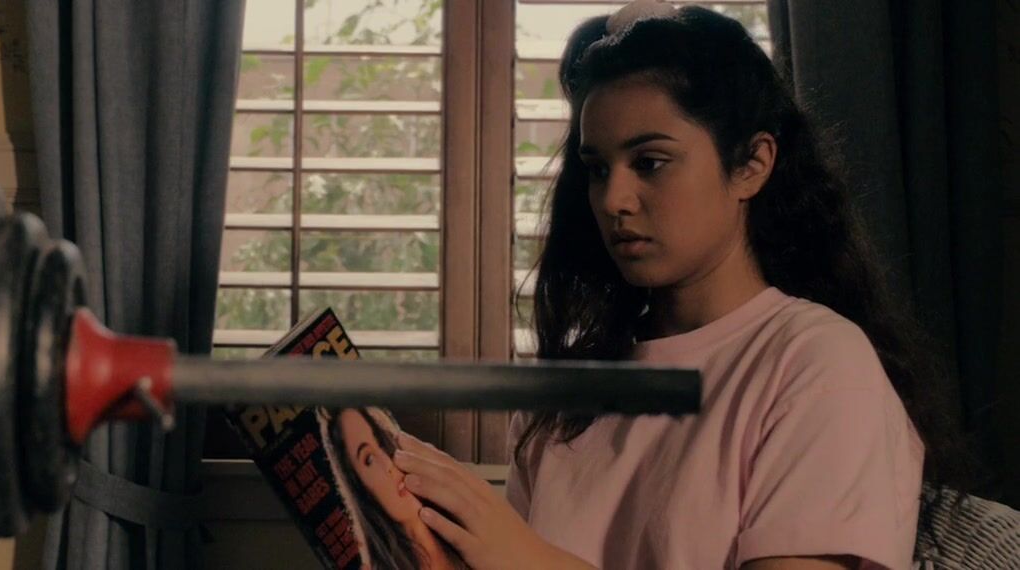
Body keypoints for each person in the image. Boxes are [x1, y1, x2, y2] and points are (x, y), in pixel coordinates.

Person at [391, 2, 975, 569]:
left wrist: (530, 559)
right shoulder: (564, 397)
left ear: (752, 164)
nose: (614, 200)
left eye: (650, 162)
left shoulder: (817, 364)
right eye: (597, 169)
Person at [317, 407, 468, 569]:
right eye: (369, 459)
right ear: (363, 492)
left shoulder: (461, 516)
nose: (387, 464)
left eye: (381, 443)